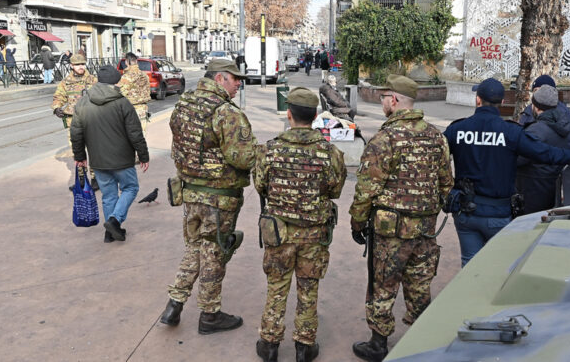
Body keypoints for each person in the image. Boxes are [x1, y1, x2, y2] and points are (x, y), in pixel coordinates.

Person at [443, 78, 570, 266]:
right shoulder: (511, 132)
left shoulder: (457, 129)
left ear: (477, 100)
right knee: (500, 266)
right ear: (502, 102)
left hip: (465, 213)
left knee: (469, 263)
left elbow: (435, 157)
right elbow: (547, 154)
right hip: (498, 214)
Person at [350, 75, 453, 362]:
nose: (383, 101)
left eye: (384, 97)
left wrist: (357, 222)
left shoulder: (385, 139)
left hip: (391, 232)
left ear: (393, 100)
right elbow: (447, 183)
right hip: (426, 230)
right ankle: (423, 343)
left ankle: (378, 344)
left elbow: (366, 189)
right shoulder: (436, 136)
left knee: (383, 284)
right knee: (420, 284)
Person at [159, 59, 257, 336]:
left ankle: (174, 304)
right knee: (214, 253)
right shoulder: (225, 112)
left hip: (191, 192)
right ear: (219, 79)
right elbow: (243, 157)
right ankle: (210, 315)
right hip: (219, 196)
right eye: (235, 78)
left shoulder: (184, 103)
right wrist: (261, 151)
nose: (239, 83)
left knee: (194, 248)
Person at [253, 87, 347, 362]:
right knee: (308, 288)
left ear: (289, 114)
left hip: (279, 234)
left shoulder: (269, 149)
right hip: (314, 235)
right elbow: (335, 190)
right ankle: (304, 347)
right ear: (316, 115)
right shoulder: (330, 152)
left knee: (277, 286)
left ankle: (269, 344)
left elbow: (260, 185)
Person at [70, 65, 149, 243]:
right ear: (117, 81)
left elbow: (76, 133)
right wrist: (143, 155)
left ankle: (110, 233)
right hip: (122, 159)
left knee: (108, 195)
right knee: (131, 188)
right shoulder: (122, 102)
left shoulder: (82, 102)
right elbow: (135, 133)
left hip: (98, 160)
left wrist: (80, 157)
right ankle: (115, 220)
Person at [516, 85, 570, 215]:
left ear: (536, 107)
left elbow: (518, 159)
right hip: (552, 188)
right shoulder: (564, 125)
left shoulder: (536, 130)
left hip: (532, 190)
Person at [52, 54, 98, 187]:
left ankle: (96, 179)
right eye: (78, 65)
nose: (81, 67)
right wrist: (57, 108)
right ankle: (82, 180)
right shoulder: (65, 82)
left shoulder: (93, 80)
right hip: (74, 123)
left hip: (91, 121)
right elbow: (58, 97)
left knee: (93, 150)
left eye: (83, 64)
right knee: (77, 151)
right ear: (72, 66)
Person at [517, 75, 570, 149]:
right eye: (535, 90)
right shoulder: (529, 110)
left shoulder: (565, 113)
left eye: (542, 90)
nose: (539, 94)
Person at [116, 52, 151, 134]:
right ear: (136, 62)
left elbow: (120, 93)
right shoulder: (144, 75)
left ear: (126, 62)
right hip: (143, 109)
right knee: (141, 136)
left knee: (129, 138)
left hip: (130, 110)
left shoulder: (126, 76)